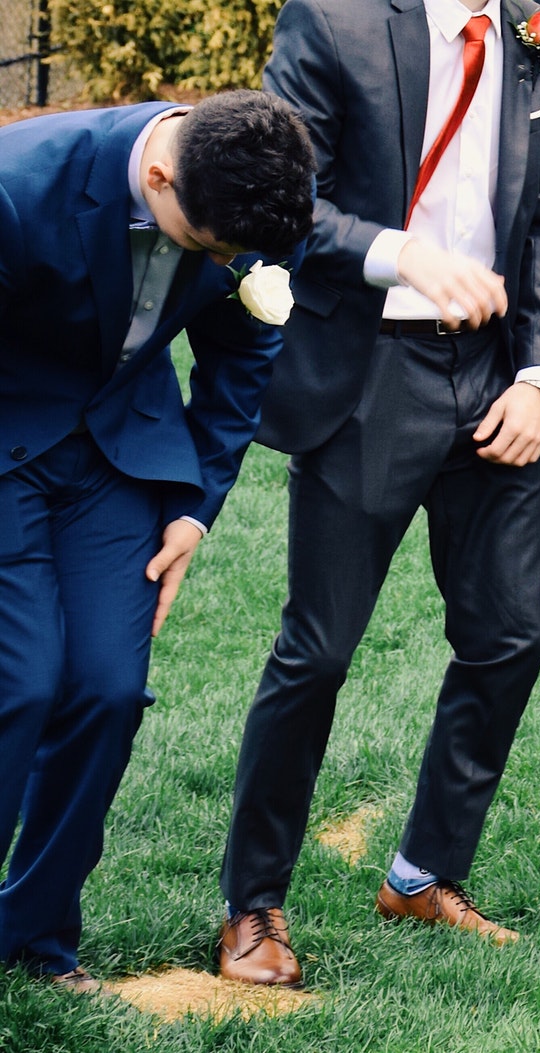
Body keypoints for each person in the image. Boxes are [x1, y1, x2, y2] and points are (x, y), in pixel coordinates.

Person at [218, 0, 540, 987]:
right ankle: (252, 906)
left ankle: (424, 874)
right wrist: (397, 248)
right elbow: (282, 202)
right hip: (368, 372)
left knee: (511, 638)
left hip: (494, 376)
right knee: (320, 648)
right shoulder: (332, 24)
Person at [0, 92, 315, 993]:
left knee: (107, 688)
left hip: (120, 455)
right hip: (8, 442)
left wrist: (196, 505)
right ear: (157, 173)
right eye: (210, 248)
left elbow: (245, 350)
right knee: (18, 683)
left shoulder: (254, 189)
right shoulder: (19, 189)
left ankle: (33, 937)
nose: (227, 264)